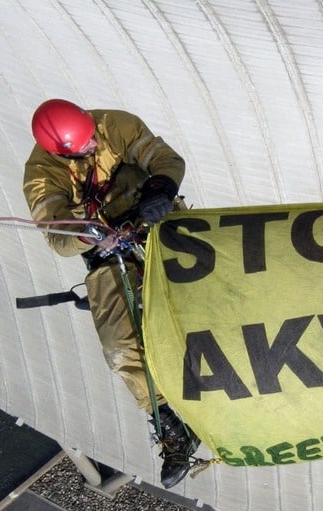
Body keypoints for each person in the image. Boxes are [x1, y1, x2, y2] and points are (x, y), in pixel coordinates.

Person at [23, 98, 198, 488]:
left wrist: (160, 188)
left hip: (158, 219)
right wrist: (86, 233)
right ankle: (169, 422)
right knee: (120, 347)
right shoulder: (41, 174)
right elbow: (57, 237)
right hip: (103, 251)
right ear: (59, 152)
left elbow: (168, 161)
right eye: (81, 150)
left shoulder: (115, 125)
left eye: (90, 142)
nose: (90, 149)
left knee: (201, 298)